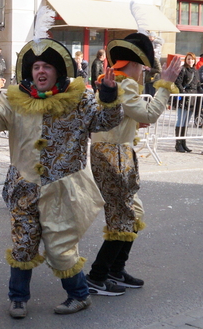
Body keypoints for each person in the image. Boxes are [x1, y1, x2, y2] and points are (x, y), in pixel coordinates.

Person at [0, 37, 123, 318]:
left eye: (46, 66)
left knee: (61, 247)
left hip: (63, 189)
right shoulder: (16, 99)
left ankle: (79, 295)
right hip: (24, 184)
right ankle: (18, 298)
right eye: (35, 67)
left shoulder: (79, 99)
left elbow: (105, 121)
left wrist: (108, 96)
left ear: (58, 70)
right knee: (23, 243)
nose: (40, 71)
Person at [86, 33, 182, 296]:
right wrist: (166, 85)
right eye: (144, 64)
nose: (145, 70)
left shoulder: (115, 79)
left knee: (133, 213)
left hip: (113, 151)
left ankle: (115, 270)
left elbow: (128, 117)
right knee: (122, 217)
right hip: (114, 154)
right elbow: (148, 114)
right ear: (137, 64)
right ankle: (97, 276)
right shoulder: (126, 84)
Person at [174, 52, 201, 153]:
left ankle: (184, 142)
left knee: (186, 122)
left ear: (195, 60)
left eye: (192, 59)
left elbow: (197, 85)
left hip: (192, 99)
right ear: (186, 60)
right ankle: (178, 144)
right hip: (184, 99)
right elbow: (178, 83)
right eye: (188, 59)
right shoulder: (183, 69)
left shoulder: (195, 71)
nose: (190, 61)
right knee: (181, 120)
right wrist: (184, 92)